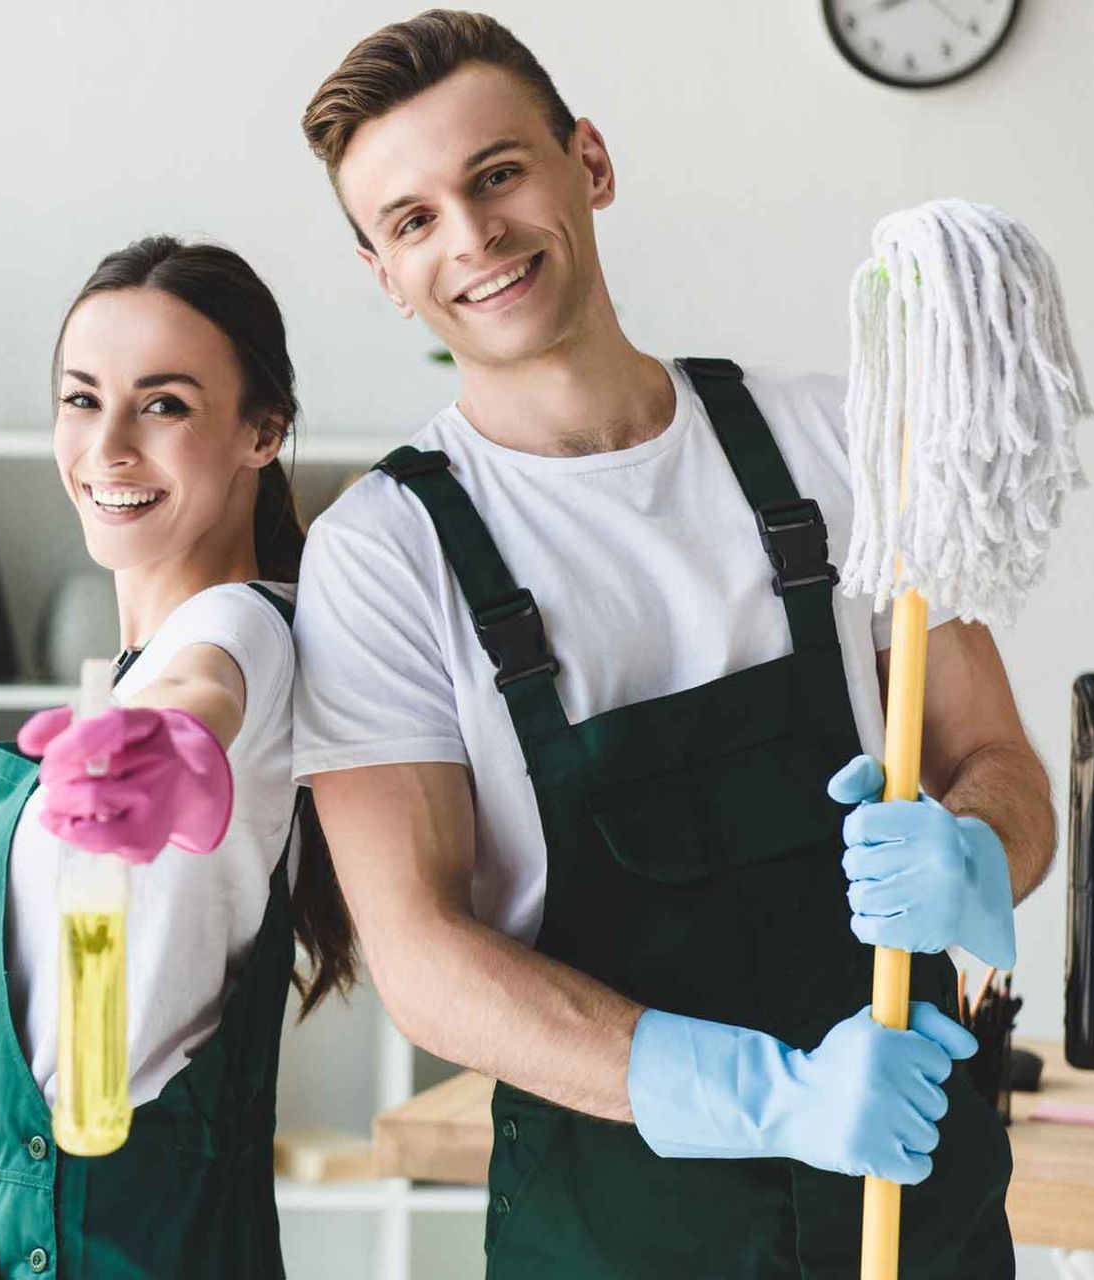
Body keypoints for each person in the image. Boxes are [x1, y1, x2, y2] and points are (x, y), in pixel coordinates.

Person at [290, 12, 1052, 1277]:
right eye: (413, 219)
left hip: (914, 1201)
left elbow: (1004, 768)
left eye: (497, 173)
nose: (472, 236)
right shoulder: (385, 554)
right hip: (614, 1228)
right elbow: (422, 962)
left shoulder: (841, 445)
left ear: (587, 161)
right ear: (383, 270)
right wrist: (776, 1094)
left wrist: (971, 849)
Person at [0, 235, 354, 1279]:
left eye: (165, 404)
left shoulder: (241, 628)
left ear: (261, 431)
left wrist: (175, 741)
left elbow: (211, 689)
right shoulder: (139, 660)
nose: (110, 446)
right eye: (82, 399)